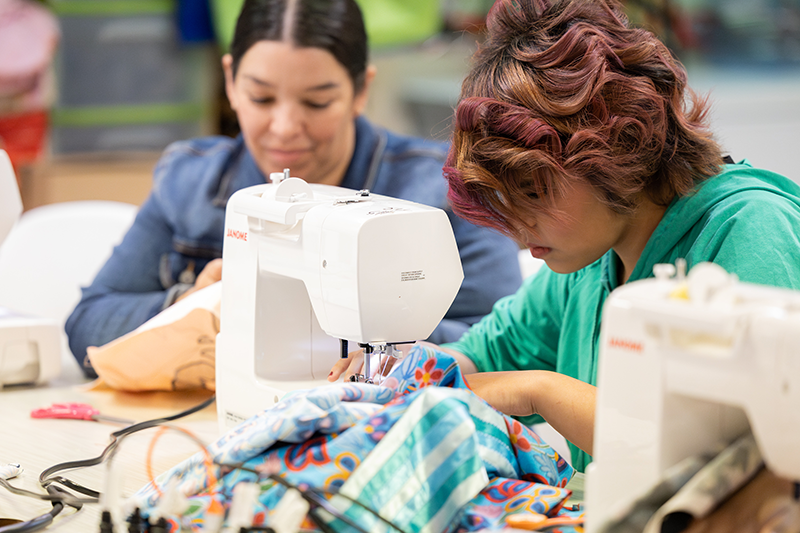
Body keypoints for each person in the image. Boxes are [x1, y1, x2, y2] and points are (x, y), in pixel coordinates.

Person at [330, 0, 800, 473]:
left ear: (620, 146)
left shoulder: (750, 230)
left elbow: (739, 450)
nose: (515, 231)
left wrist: (540, 390)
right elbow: (484, 357)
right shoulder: (591, 259)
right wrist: (402, 365)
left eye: (533, 191)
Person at [65, 0, 523, 378]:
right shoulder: (189, 183)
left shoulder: (444, 193)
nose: (285, 128)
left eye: (317, 102)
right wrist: (192, 306)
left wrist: (363, 338)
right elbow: (87, 324)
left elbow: (505, 344)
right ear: (229, 82)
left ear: (361, 89)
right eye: (262, 98)